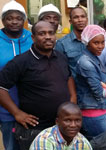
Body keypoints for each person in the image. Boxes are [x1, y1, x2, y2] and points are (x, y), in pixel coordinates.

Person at [0, 21, 75, 150]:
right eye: (42, 33)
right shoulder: (21, 61)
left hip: (61, 127)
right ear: (33, 38)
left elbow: (68, 77)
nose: (48, 37)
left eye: (51, 33)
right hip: (34, 130)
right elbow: (1, 87)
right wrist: (16, 113)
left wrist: (73, 99)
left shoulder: (61, 57)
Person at [0, 1, 33, 149]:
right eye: (9, 18)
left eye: (18, 18)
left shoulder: (33, 39)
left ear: (24, 20)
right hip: (5, 110)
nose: (14, 21)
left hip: (33, 108)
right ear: (3, 20)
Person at [75, 25, 106, 140]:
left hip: (102, 108)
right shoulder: (86, 63)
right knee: (101, 144)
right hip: (93, 112)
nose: (100, 46)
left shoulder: (94, 57)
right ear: (87, 42)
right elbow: (99, 92)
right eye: (96, 43)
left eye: (102, 42)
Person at [55, 7, 88, 78]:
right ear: (70, 22)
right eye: (76, 17)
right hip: (74, 87)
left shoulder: (93, 40)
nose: (80, 20)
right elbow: (60, 70)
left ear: (87, 20)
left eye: (83, 17)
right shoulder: (62, 44)